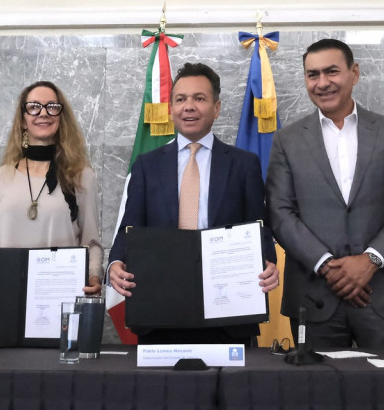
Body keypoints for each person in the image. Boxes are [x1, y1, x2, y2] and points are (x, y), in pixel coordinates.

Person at [266, 38, 384, 350]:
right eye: (313, 75)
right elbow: (280, 212)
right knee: (316, 396)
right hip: (315, 299)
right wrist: (328, 265)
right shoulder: (287, 140)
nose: (322, 83)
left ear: (354, 72)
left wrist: (370, 260)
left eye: (331, 72)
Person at [108, 62, 279, 344]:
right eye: (181, 99)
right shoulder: (147, 166)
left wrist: (268, 260)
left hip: (228, 310)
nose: (189, 107)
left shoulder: (244, 165)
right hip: (161, 307)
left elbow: (259, 228)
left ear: (217, 108)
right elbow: (130, 226)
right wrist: (116, 262)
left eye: (199, 98)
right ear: (171, 109)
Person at [0, 81, 103, 310]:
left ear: (61, 116)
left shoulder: (81, 176)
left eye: (52, 106)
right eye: (34, 107)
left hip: (57, 301)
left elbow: (91, 241)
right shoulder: (0, 177)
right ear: (23, 119)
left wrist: (94, 277)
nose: (43, 113)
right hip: (3, 297)